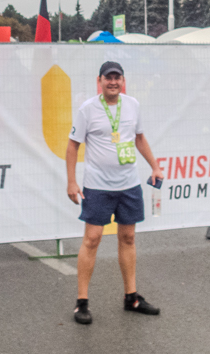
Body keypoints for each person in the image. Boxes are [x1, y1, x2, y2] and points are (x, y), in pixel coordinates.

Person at [65, 61, 163, 326]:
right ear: (100, 81)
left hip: (128, 185)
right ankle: (81, 302)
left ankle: (131, 297)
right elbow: (73, 146)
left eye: (117, 78)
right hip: (97, 186)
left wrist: (154, 166)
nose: (113, 82)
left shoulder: (132, 105)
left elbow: (139, 139)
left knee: (128, 237)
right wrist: (72, 182)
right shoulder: (88, 109)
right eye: (108, 78)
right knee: (92, 239)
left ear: (123, 81)